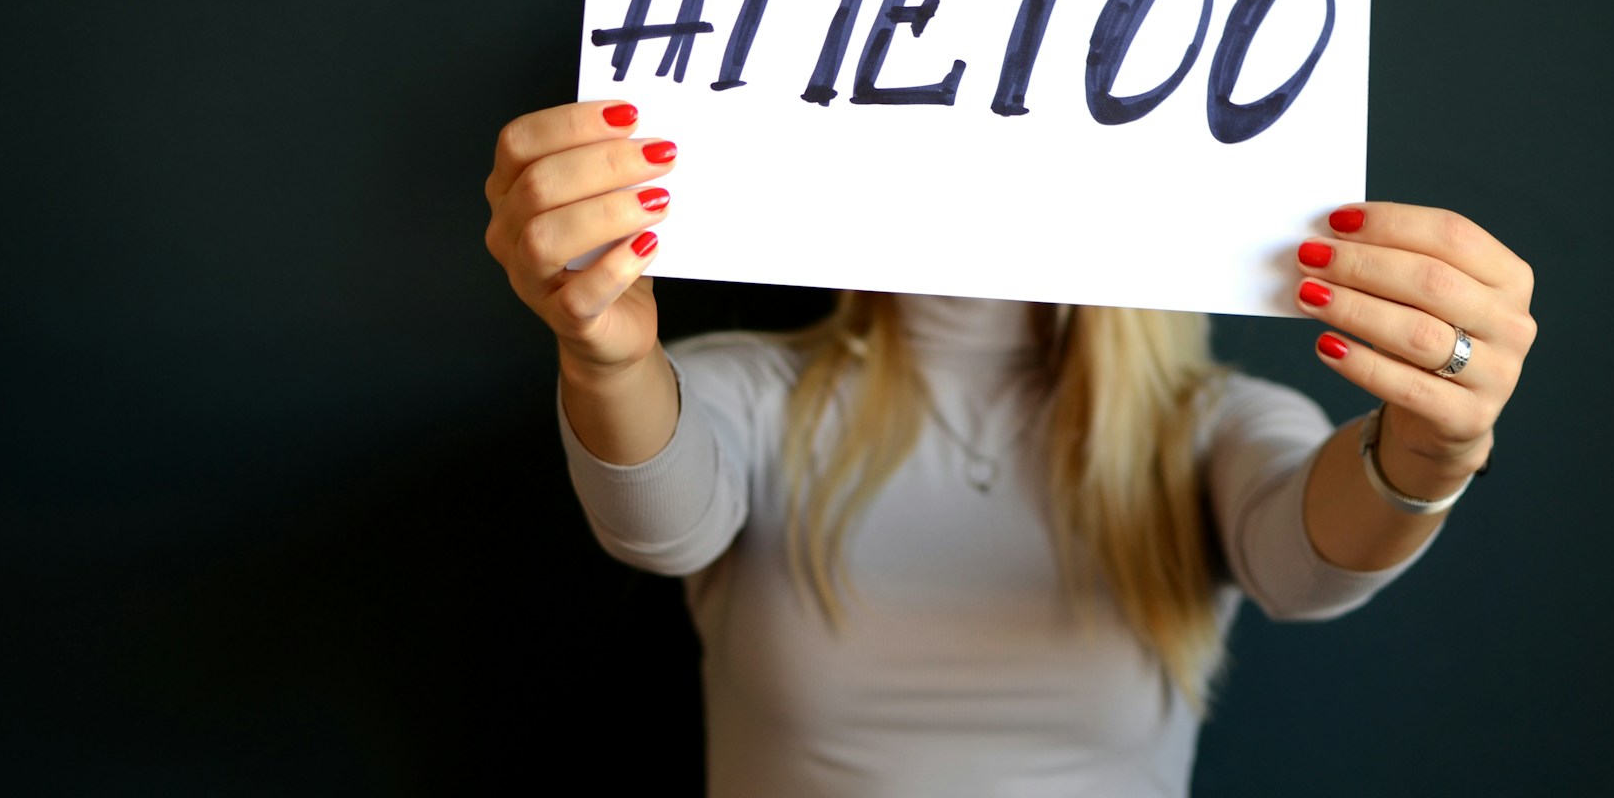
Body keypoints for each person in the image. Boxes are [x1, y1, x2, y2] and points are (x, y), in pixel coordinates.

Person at [482, 99, 1537, 797]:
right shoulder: (753, 389)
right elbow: (658, 521)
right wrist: (606, 356)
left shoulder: (1209, 421)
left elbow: (1312, 565)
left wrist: (1436, 449)